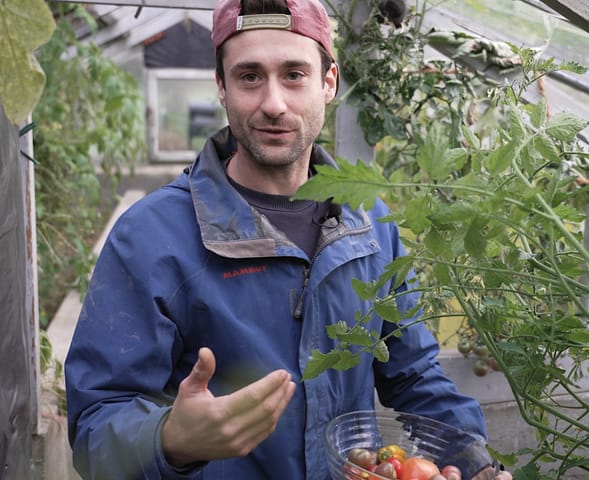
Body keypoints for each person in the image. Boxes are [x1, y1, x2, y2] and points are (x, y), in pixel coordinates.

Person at [64, 0, 513, 478]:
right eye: (249, 76)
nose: (273, 103)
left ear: (329, 82)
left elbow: (414, 374)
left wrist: (471, 459)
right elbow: (96, 427)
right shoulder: (152, 237)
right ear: (222, 86)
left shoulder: (370, 222)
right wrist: (169, 440)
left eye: (294, 74)